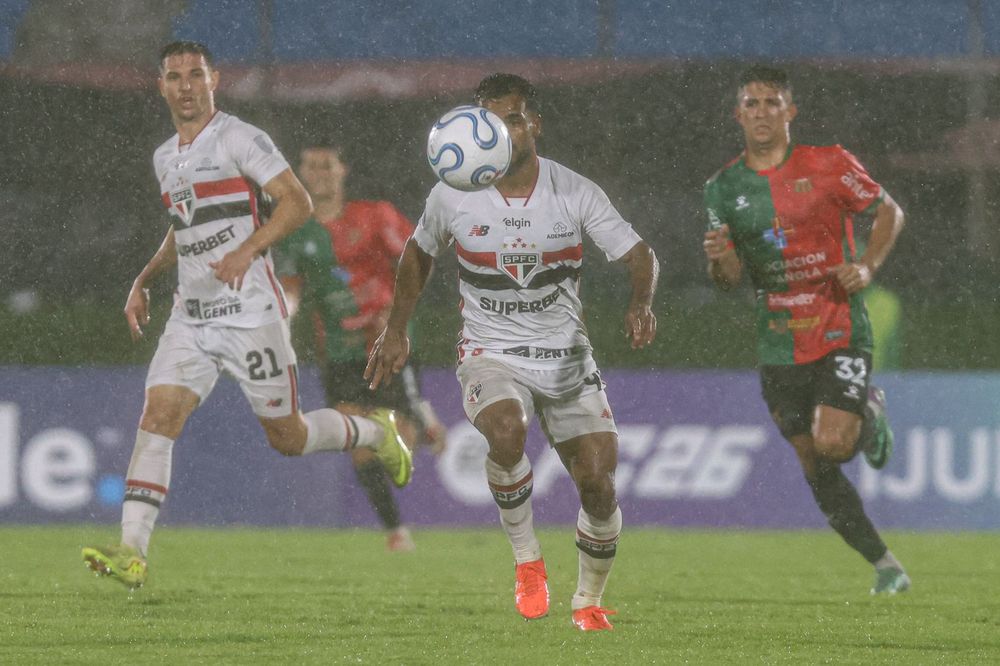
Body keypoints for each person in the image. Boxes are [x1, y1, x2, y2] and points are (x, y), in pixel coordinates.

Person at [81, 41, 413, 589]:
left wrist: (248, 249)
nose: (186, 86)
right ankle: (132, 552)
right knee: (158, 416)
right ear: (161, 86)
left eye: (195, 74)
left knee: (289, 437)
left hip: (250, 313)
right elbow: (183, 228)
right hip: (191, 317)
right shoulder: (165, 157)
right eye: (174, 77)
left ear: (214, 79)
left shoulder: (239, 137)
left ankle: (373, 432)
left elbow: (297, 202)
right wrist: (144, 279)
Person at [366, 73, 658, 631]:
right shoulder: (453, 192)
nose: (504, 130)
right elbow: (418, 254)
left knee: (598, 484)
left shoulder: (573, 191)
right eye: (492, 121)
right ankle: (528, 560)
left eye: (515, 118)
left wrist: (641, 302)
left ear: (535, 124)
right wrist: (397, 328)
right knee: (505, 430)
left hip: (566, 355)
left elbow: (639, 253)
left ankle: (588, 600)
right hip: (490, 347)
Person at [702, 65, 910, 595]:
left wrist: (866, 266)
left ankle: (870, 411)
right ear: (738, 115)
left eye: (772, 102)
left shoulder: (829, 163)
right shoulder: (722, 189)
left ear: (790, 112)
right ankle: (885, 563)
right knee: (814, 461)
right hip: (777, 340)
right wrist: (720, 258)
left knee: (834, 442)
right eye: (751, 103)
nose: (761, 112)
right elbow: (728, 280)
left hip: (839, 326)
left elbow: (889, 211)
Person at [276, 144, 448, 552]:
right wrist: (282, 316)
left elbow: (418, 260)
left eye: (327, 165)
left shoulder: (375, 216)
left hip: (387, 343)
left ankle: (419, 419)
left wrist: (396, 309)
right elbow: (290, 289)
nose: (319, 172)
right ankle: (396, 532)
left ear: (343, 170)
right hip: (338, 351)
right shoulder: (295, 232)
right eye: (311, 165)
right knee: (360, 447)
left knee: (398, 447)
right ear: (301, 173)